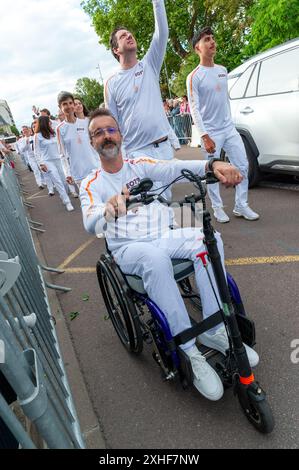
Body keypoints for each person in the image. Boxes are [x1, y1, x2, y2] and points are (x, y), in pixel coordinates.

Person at [80, 108, 259, 401]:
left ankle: (213, 328)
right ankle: (188, 348)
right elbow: (90, 222)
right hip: (129, 247)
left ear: (120, 135)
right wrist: (107, 209)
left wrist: (213, 165)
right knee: (156, 260)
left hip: (164, 233)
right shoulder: (91, 182)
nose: (105, 136)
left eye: (110, 130)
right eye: (98, 133)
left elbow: (174, 169)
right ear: (92, 143)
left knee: (209, 239)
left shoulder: (139, 163)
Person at [187, 27, 259, 223]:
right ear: (197, 48)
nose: (212, 42)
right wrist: (204, 135)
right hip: (210, 132)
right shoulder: (194, 76)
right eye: (206, 40)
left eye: (212, 38)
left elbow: (224, 100)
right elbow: (194, 108)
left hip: (228, 129)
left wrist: (231, 123)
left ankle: (241, 205)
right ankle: (218, 208)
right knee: (212, 172)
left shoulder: (222, 70)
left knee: (242, 165)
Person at [104, 0, 174, 163]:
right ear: (116, 50)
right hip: (137, 154)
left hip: (164, 149)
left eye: (129, 33)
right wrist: (117, 159)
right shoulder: (111, 82)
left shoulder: (150, 64)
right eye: (122, 36)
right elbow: (112, 123)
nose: (129, 35)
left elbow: (162, 33)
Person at [56, 91, 99, 186]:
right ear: (60, 107)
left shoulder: (86, 122)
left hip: (96, 168)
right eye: (64, 104)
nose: (68, 106)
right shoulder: (60, 128)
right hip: (79, 174)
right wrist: (67, 173)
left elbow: (96, 145)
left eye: (71, 103)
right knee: (88, 200)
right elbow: (62, 154)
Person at [34, 116, 74, 211]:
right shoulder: (37, 136)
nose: (51, 123)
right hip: (48, 162)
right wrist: (41, 164)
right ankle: (67, 201)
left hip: (59, 160)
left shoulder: (54, 133)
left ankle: (64, 195)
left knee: (64, 180)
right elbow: (36, 152)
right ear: (44, 123)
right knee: (57, 181)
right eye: (49, 122)